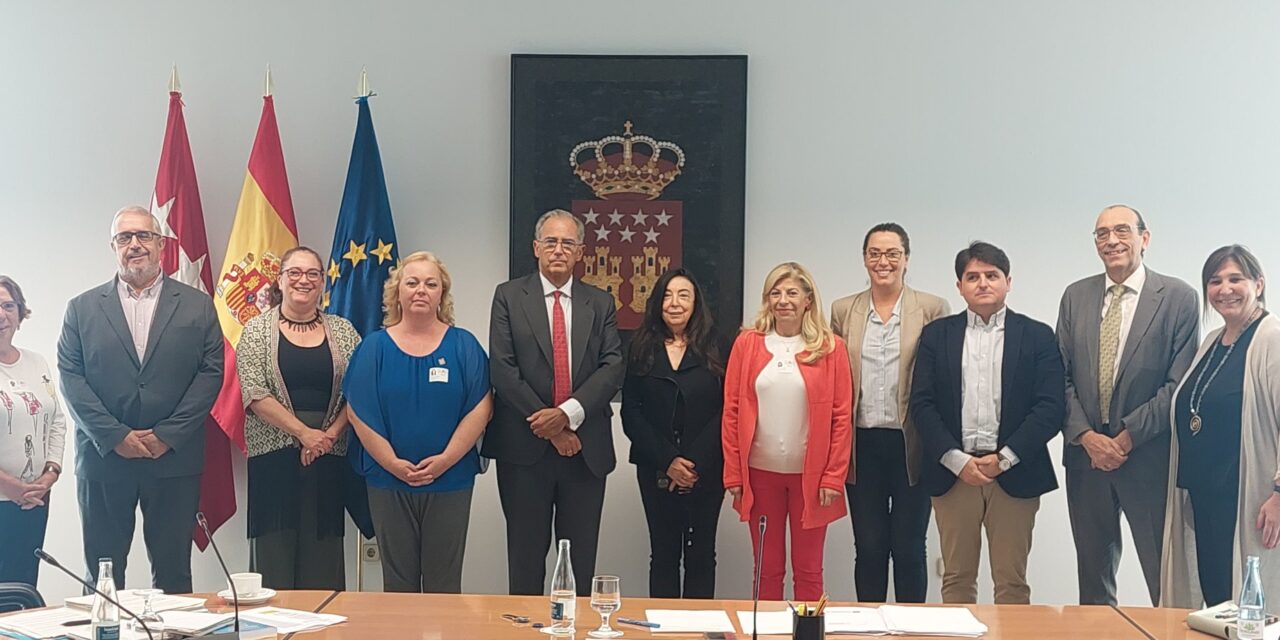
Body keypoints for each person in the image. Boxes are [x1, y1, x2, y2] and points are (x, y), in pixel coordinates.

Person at [57, 205, 223, 592]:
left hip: (173, 460)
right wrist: (116, 436)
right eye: (124, 237)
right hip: (104, 459)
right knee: (102, 576)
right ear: (113, 247)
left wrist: (166, 435)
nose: (135, 245)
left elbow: (210, 375)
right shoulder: (80, 309)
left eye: (143, 235)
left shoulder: (198, 306)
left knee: (174, 574)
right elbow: (71, 379)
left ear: (161, 245)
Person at [1057, 205, 1199, 606]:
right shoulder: (1075, 296)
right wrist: (1087, 437)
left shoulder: (1178, 298)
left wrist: (1125, 438)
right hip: (1086, 461)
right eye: (1102, 234)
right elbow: (1059, 377)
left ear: (1144, 238)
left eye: (1121, 230)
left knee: (1166, 579)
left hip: (1149, 457)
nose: (1112, 240)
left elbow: (1179, 384)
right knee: (1093, 579)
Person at [910, 241, 1064, 604]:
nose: (982, 283)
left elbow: (1050, 407)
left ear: (1008, 281)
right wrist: (957, 460)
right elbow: (922, 404)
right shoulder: (937, 335)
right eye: (972, 276)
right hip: (954, 474)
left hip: (1015, 471)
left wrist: (1004, 458)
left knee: (1012, 583)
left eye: (992, 275)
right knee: (956, 580)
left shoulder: (1037, 335)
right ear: (959, 286)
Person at [483, 209, 624, 596]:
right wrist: (551, 429)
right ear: (535, 248)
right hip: (524, 452)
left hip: (585, 451)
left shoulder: (600, 303)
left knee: (580, 563)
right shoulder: (509, 296)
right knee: (526, 563)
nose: (558, 250)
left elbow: (612, 368)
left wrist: (566, 417)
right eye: (550, 241)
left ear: (580, 251)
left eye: (567, 243)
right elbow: (504, 370)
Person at [344, 251, 492, 593]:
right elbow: (358, 412)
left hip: (451, 480)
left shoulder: (464, 346)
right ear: (398, 292)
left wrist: (444, 461)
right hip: (387, 481)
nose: (421, 290)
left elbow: (481, 409)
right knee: (398, 585)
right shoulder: (374, 347)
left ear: (442, 294)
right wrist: (393, 463)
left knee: (444, 584)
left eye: (430, 283)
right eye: (412, 282)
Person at [830, 223, 950, 603]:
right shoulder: (843, 310)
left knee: (910, 544)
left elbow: (943, 380)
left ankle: (912, 626)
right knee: (869, 545)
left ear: (906, 259)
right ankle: (869, 625)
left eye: (892, 253)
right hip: (861, 442)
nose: (883, 262)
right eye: (875, 254)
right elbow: (833, 377)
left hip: (912, 441)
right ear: (864, 259)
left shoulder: (932, 308)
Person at [722, 261, 853, 601]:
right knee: (766, 569)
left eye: (792, 292)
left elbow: (841, 417)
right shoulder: (747, 344)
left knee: (809, 571)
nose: (784, 300)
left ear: (808, 299)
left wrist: (833, 477)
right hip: (760, 472)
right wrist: (734, 474)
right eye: (775, 293)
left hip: (811, 478)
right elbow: (732, 411)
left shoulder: (831, 347)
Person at [236, 246, 361, 590]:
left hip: (329, 457)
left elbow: (358, 392)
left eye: (312, 274)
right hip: (273, 458)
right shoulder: (256, 330)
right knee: (272, 558)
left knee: (324, 562)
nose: (303, 280)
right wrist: (304, 434)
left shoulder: (345, 330)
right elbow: (254, 393)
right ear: (279, 279)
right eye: (294, 272)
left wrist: (327, 437)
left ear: (323, 282)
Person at [1161, 245, 1280, 607]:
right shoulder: (1212, 341)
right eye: (1215, 281)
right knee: (1217, 601)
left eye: (1235, 279)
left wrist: (1279, 494)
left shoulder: (1271, 337)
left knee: (1253, 602)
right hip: (1205, 497)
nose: (1224, 289)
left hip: (1252, 497)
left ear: (1258, 284)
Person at [622, 267, 726, 598]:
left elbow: (728, 410)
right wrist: (669, 460)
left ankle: (697, 631)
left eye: (683, 295)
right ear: (657, 302)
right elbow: (631, 412)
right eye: (667, 295)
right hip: (656, 468)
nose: (675, 303)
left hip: (706, 469)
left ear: (696, 303)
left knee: (701, 556)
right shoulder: (641, 345)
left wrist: (693, 461)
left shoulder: (719, 345)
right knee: (663, 555)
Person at [0, 275, 66, 586]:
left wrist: (49, 475)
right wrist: (9, 486)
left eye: (8, 306)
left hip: (35, 500)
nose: (2, 314)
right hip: (5, 497)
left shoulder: (36, 362)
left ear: (20, 313)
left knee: (23, 588)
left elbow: (57, 422)